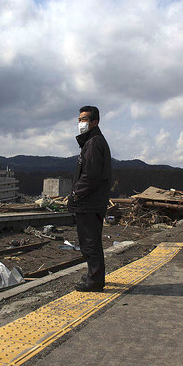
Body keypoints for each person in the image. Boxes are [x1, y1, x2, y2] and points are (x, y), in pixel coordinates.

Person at [67, 105, 112, 292]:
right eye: (79, 120)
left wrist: (75, 194)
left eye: (84, 119)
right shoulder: (93, 141)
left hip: (89, 202)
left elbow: (90, 176)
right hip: (92, 201)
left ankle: (94, 281)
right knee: (91, 240)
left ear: (94, 122)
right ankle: (93, 275)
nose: (80, 123)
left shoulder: (93, 143)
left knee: (90, 242)